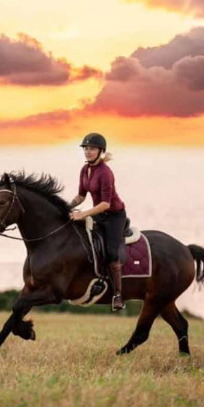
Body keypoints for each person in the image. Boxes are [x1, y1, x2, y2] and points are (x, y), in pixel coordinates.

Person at [69, 133, 127, 311]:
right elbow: (80, 196)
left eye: (92, 148)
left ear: (100, 151)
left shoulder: (105, 173)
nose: (87, 151)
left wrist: (83, 214)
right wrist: (65, 207)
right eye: (85, 148)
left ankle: (117, 295)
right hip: (99, 214)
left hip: (114, 216)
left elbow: (105, 204)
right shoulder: (84, 169)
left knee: (111, 253)